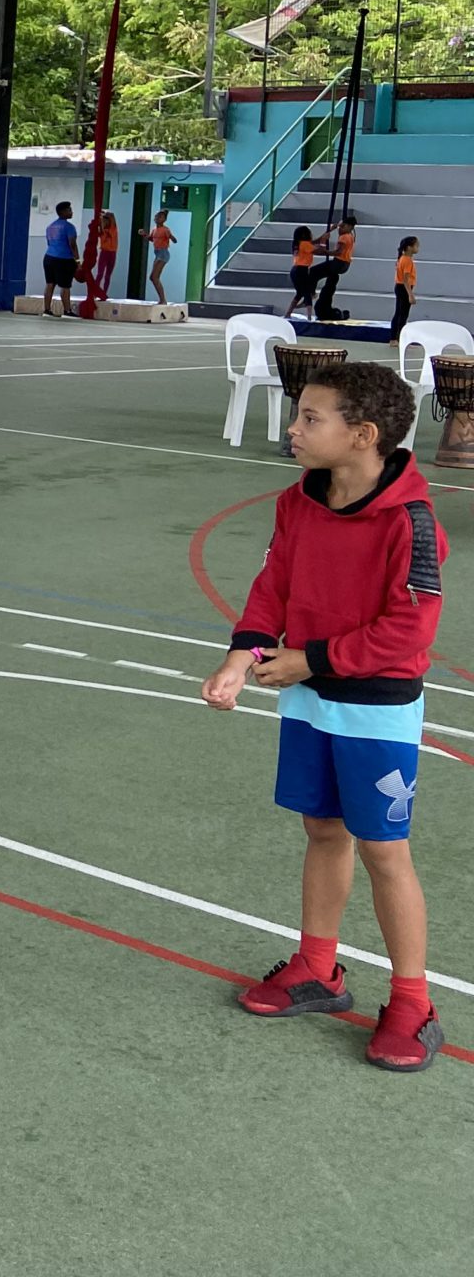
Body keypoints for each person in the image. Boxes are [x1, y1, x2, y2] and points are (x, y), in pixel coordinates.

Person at [201, 361, 446, 1071]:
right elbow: (273, 585)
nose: (294, 429)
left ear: (362, 435)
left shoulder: (411, 522)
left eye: (311, 418)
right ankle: (318, 967)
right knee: (323, 829)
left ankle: (413, 1002)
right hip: (311, 695)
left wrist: (311, 660)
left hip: (376, 706)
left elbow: (409, 632)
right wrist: (241, 658)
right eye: (297, 414)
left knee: (384, 851)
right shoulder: (298, 501)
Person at [313, 213, 358, 321]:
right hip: (344, 264)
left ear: (350, 227)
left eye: (342, 227)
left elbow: (338, 252)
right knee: (331, 280)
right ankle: (315, 295)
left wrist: (325, 252)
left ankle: (311, 293)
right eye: (339, 227)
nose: (339, 229)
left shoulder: (344, 237)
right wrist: (332, 229)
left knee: (313, 272)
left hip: (339, 263)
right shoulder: (350, 236)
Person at [42, 201, 80, 317]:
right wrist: (78, 261)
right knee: (65, 286)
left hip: (49, 258)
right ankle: (67, 311)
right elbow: (72, 244)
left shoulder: (50, 227)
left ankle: (47, 310)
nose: (72, 212)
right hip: (63, 260)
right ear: (63, 212)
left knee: (50, 284)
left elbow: (49, 243)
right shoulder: (69, 227)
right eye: (69, 210)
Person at [284, 225, 318, 320]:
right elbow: (316, 250)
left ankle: (288, 313)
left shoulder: (298, 244)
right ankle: (309, 316)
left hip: (295, 270)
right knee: (307, 292)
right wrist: (323, 246)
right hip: (301, 270)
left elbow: (313, 243)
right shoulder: (305, 244)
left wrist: (322, 239)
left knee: (300, 293)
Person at [393, 235, 419, 342]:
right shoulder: (407, 260)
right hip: (403, 288)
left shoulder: (402, 258)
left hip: (400, 287)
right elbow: (405, 279)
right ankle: (398, 338)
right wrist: (410, 294)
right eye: (416, 246)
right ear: (409, 247)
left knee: (399, 313)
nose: (417, 248)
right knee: (402, 315)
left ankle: (395, 338)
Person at [147, 207, 175, 306]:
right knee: (152, 277)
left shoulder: (165, 230)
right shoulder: (154, 230)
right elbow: (151, 239)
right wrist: (144, 234)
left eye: (160, 217)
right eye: (157, 216)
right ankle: (162, 299)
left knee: (154, 277)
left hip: (163, 253)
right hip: (157, 253)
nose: (157, 218)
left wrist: (170, 236)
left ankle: (163, 300)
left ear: (164, 219)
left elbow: (174, 240)